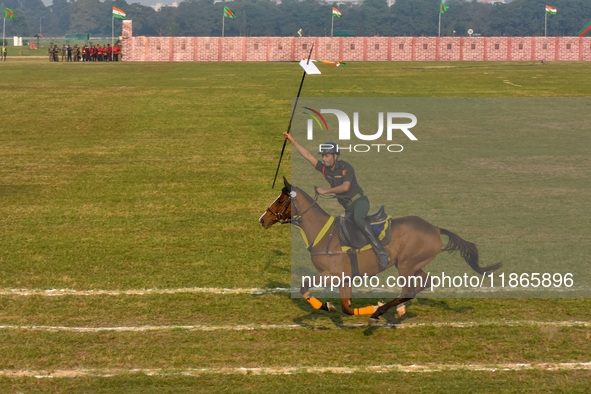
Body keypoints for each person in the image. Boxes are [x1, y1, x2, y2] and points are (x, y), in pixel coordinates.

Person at [283, 134, 390, 268]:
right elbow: (308, 156)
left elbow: (346, 187)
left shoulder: (346, 167)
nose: (324, 159)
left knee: (358, 219)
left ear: (335, 156)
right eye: (323, 156)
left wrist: (324, 191)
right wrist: (292, 140)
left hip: (360, 202)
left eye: (327, 156)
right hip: (348, 208)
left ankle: (381, 252)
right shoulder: (325, 169)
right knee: (346, 230)